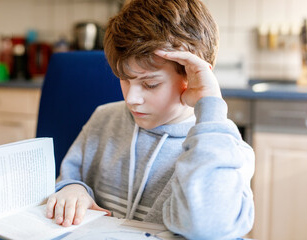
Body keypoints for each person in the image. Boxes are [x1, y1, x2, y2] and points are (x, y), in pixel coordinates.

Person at [45, 0, 255, 239]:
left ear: (192, 75)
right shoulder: (103, 119)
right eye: (125, 79)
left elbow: (208, 227)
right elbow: (69, 178)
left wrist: (210, 105)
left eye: (150, 84)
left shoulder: (223, 146)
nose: (132, 98)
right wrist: (72, 189)